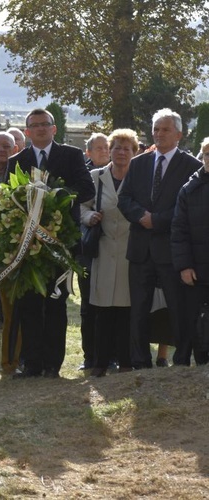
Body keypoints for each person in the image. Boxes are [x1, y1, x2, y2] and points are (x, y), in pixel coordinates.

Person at [9, 108, 95, 378]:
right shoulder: (17, 161)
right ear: (27, 131)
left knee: (56, 304)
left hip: (61, 241)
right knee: (30, 305)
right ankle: (32, 363)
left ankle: (52, 365)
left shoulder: (71, 155)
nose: (40, 129)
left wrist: (55, 197)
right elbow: (8, 198)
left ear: (54, 128)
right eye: (34, 125)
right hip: (29, 244)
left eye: (45, 124)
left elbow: (87, 189)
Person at [118, 108, 202, 368]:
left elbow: (191, 207)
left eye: (165, 129)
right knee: (139, 309)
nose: (159, 134)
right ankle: (140, 360)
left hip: (172, 251)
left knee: (179, 309)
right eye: (155, 129)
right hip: (141, 249)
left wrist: (158, 220)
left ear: (179, 134)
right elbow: (124, 198)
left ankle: (181, 359)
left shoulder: (191, 166)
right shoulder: (140, 162)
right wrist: (141, 215)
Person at [80, 129, 139, 376]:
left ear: (135, 153)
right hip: (102, 251)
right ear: (109, 150)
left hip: (130, 252)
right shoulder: (95, 177)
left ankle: (126, 362)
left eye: (127, 148)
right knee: (102, 310)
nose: (121, 152)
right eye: (116, 147)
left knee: (126, 311)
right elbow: (81, 206)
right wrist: (89, 216)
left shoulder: (139, 177)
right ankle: (100, 363)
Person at [0, 131, 23, 374]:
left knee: (14, 308)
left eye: (6, 146)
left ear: (15, 148)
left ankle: (13, 359)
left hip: (15, 247)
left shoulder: (23, 173)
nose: (1, 150)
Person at [171, 136, 209, 366]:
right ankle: (197, 361)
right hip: (197, 270)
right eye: (206, 155)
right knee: (195, 320)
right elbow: (179, 231)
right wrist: (184, 266)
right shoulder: (189, 189)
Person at [79, 132, 111, 370]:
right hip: (90, 249)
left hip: (115, 250)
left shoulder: (120, 173)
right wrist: (89, 216)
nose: (103, 151)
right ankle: (89, 356)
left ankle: (112, 355)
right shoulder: (84, 175)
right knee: (89, 305)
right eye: (97, 148)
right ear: (87, 152)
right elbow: (79, 207)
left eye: (105, 147)